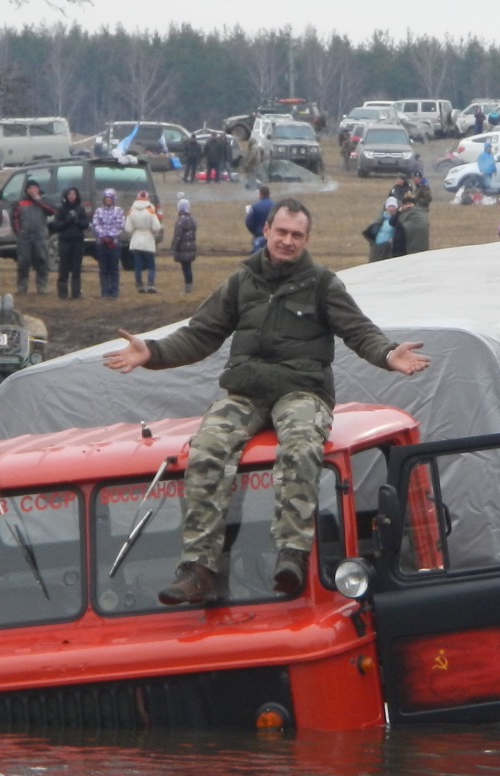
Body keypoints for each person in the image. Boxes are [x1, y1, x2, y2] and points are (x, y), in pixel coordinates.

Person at [101, 198, 432, 605]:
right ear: (267, 232)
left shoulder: (323, 284)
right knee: (205, 450)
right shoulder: (242, 281)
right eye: (281, 232)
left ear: (306, 239)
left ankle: (291, 556)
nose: (288, 241)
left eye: (297, 235)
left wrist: (387, 353)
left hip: (302, 390)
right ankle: (199, 568)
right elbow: (200, 334)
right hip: (246, 392)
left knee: (300, 447)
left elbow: (359, 331)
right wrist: (151, 352)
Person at [11, 180, 53, 295]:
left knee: (41, 260)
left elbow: (51, 211)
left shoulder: (44, 201)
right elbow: (15, 218)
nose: (32, 190)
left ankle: (42, 286)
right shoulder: (21, 203)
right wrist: (19, 232)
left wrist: (38, 200)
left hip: (40, 237)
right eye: (30, 188)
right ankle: (22, 286)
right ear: (26, 190)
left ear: (38, 189)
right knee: (23, 262)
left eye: (34, 187)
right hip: (24, 238)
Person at [50, 186, 90, 300]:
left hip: (77, 242)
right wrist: (68, 220)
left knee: (76, 268)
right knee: (64, 268)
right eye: (69, 194)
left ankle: (76, 293)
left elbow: (85, 224)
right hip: (65, 242)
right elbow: (57, 226)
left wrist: (77, 220)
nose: (72, 196)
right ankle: (62, 293)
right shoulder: (61, 209)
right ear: (66, 196)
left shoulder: (80, 209)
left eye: (74, 194)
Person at [125, 191, 164, 294]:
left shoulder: (131, 210)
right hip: (148, 240)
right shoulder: (150, 210)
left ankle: (139, 285)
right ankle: (150, 284)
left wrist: (135, 231)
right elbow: (157, 227)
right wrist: (152, 232)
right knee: (151, 265)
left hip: (136, 241)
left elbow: (128, 228)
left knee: (137, 265)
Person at [92, 189, 126, 299]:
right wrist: (103, 235)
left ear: (113, 199)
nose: (108, 200)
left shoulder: (119, 211)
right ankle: (105, 291)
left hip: (114, 244)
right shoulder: (98, 211)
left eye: (110, 198)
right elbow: (95, 224)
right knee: (103, 269)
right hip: (101, 244)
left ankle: (114, 291)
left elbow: (120, 225)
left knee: (114, 269)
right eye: (106, 198)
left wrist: (111, 236)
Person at [171, 197, 198, 293]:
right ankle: (189, 287)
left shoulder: (181, 220)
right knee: (188, 268)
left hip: (183, 249)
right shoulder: (192, 219)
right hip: (190, 248)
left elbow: (177, 235)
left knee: (185, 268)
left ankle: (188, 289)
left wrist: (174, 247)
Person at [244, 185, 273, 253]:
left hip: (259, 235)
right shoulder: (276, 206)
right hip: (272, 236)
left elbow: (248, 222)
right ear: (269, 194)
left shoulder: (254, 207)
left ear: (260, 194)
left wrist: (255, 231)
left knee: (257, 257)